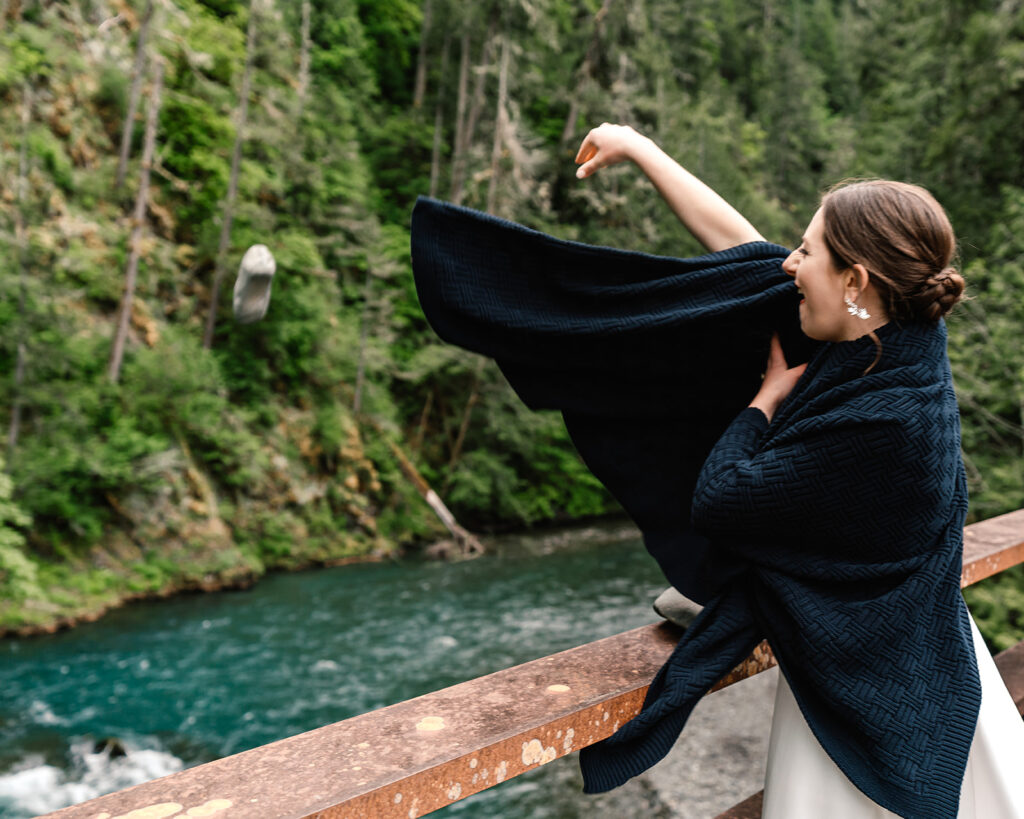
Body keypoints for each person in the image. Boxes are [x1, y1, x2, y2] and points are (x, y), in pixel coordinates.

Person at [571, 123, 1024, 818]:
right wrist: (639, 147)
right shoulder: (893, 325)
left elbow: (719, 499)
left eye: (807, 251)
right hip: (922, 647)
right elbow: (741, 245)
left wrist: (762, 403)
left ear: (855, 280)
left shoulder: (885, 421)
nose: (789, 265)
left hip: (875, 685)